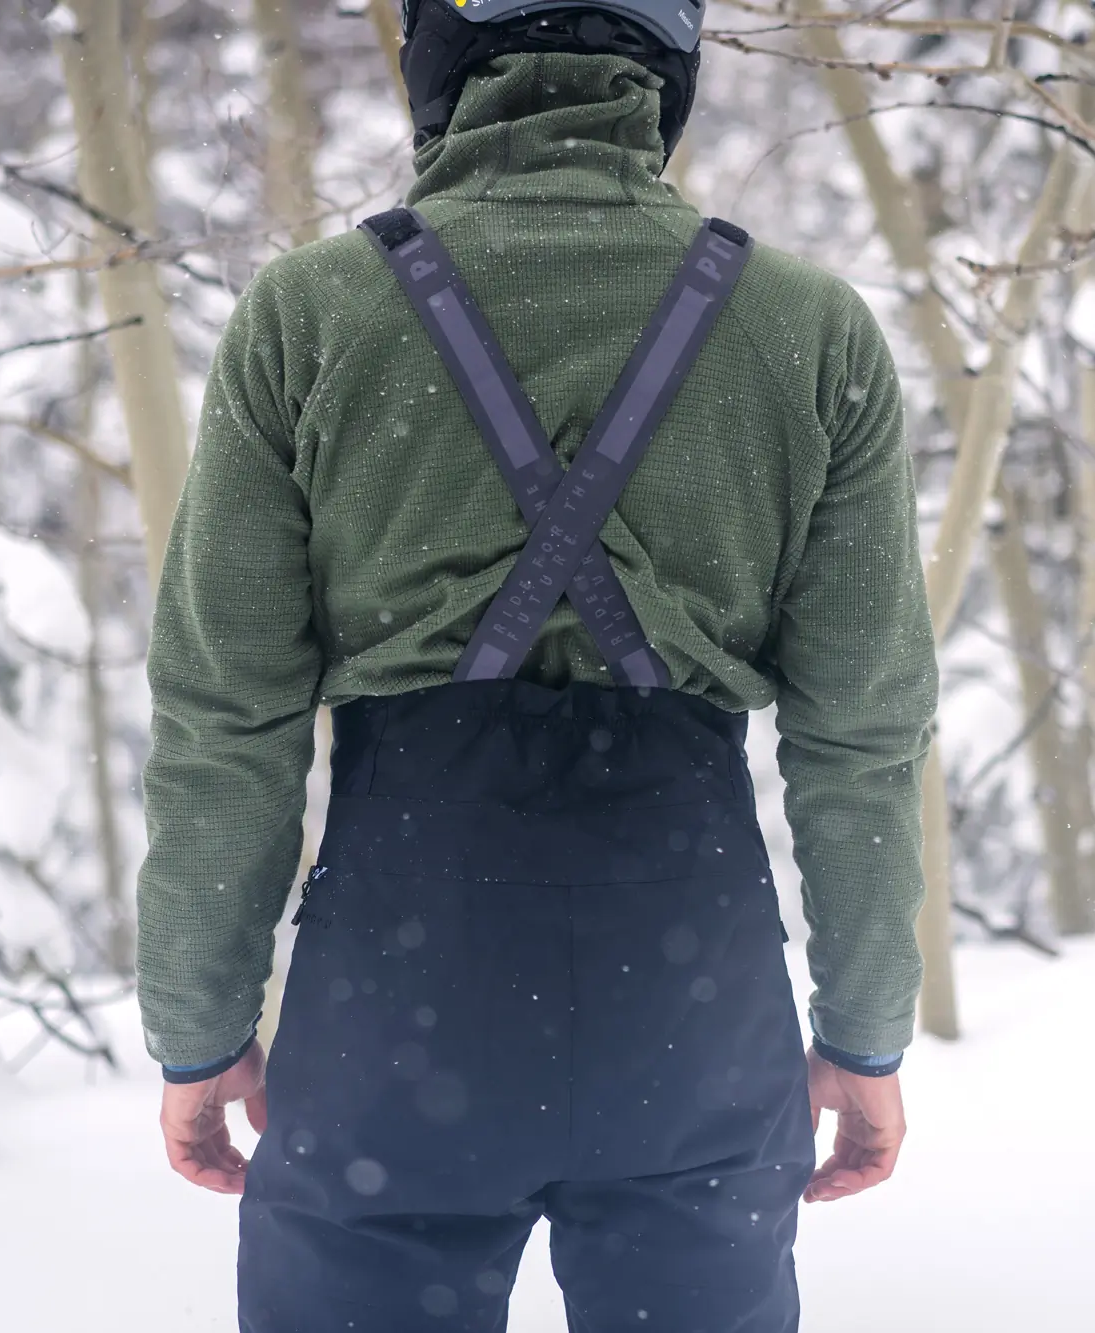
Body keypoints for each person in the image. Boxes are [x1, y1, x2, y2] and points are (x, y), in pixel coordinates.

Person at [137, 0, 938, 1325]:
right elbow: (862, 735)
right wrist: (864, 1031)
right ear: (669, 68)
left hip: (397, 1015)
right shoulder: (811, 333)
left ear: (438, 59)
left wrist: (200, 1028)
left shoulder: (311, 317)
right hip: (690, 1012)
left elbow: (228, 723)